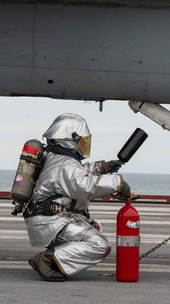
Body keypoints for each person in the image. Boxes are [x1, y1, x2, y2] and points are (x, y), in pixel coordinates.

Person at [23, 113, 130, 281]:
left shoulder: (58, 159)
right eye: (81, 141)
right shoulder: (63, 165)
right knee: (99, 245)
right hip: (52, 221)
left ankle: (56, 256)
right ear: (69, 140)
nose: (84, 145)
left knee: (95, 228)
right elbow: (84, 187)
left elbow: (77, 174)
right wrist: (118, 183)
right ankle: (47, 260)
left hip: (50, 219)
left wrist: (102, 167)